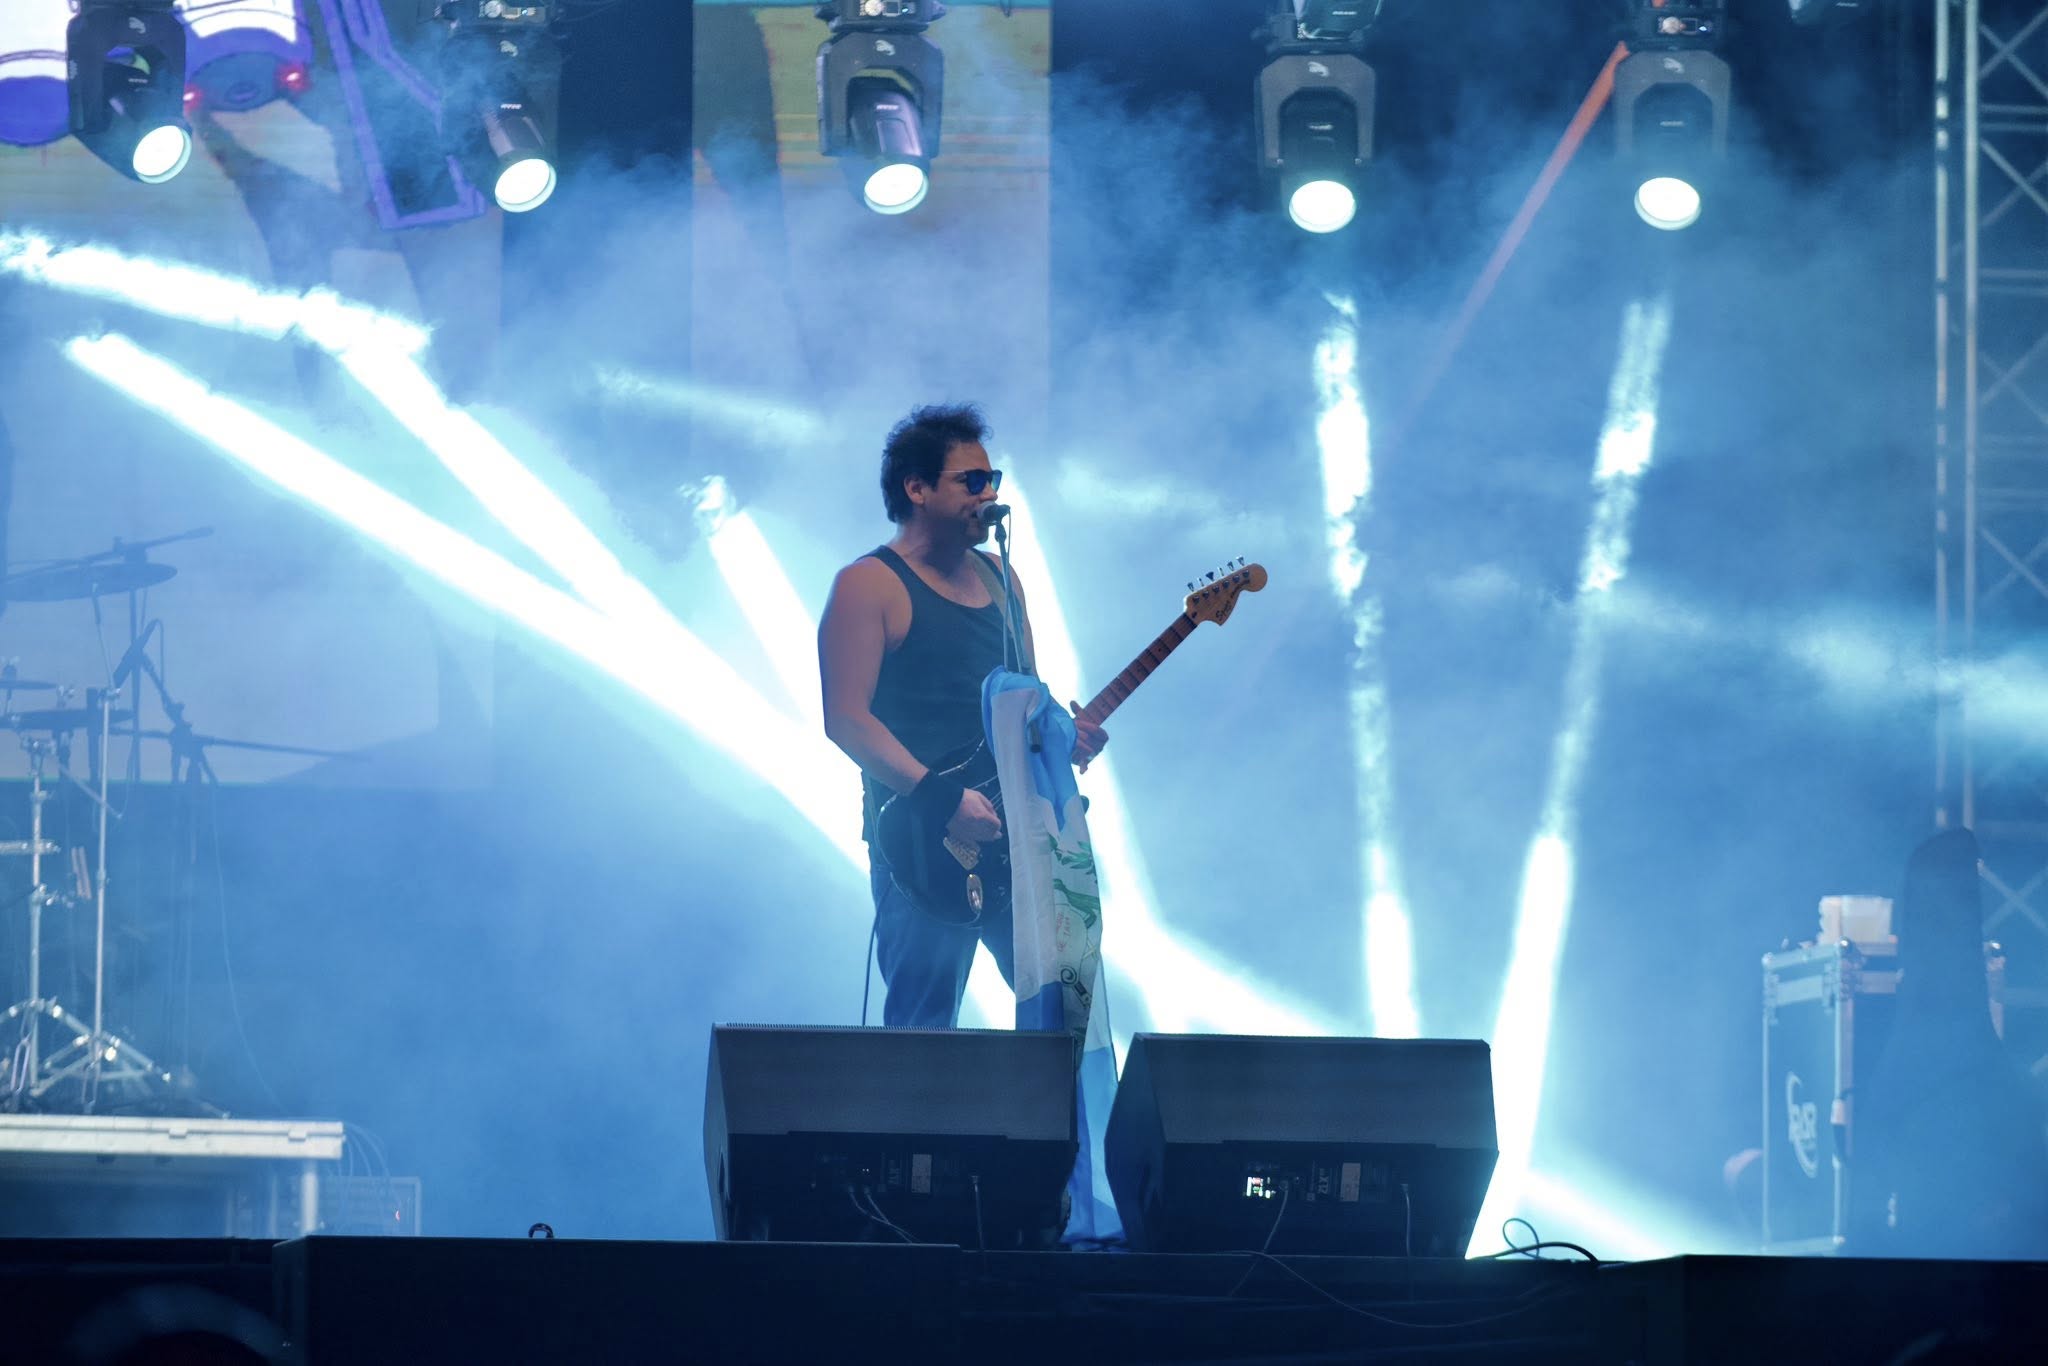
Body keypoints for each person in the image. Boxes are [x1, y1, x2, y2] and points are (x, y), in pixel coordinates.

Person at [819, 404, 1106, 1028]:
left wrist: (1061, 736)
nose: (990, 494)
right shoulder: (868, 585)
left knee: (1065, 1017)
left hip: (1018, 832)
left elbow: (1025, 698)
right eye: (971, 481)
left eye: (992, 478)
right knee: (922, 1031)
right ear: (916, 488)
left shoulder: (1004, 578)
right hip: (923, 842)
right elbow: (846, 718)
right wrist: (941, 797)